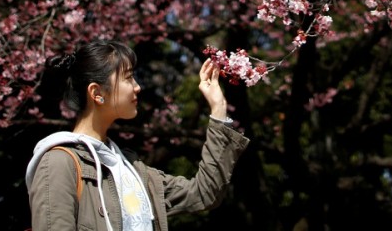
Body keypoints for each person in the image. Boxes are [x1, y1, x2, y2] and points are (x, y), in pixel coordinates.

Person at [25, 39, 249, 231]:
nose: (137, 87)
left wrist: (218, 109)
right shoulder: (58, 162)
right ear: (97, 93)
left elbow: (204, 193)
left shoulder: (133, 169)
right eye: (128, 78)